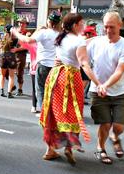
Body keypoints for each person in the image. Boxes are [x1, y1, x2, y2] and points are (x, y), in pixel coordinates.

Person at [40, 13, 102, 165]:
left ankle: (50, 150)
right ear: (75, 25)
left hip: (55, 76)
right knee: (72, 113)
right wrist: (98, 82)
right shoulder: (78, 40)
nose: (83, 26)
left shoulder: (60, 38)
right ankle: (69, 146)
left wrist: (97, 38)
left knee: (53, 114)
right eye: (81, 24)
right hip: (70, 78)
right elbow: (85, 65)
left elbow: (75, 46)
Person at [87, 11, 124, 165]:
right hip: (97, 91)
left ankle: (115, 136)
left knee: (119, 125)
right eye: (106, 27)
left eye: (112, 27)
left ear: (120, 25)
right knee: (105, 123)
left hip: (118, 91)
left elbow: (120, 71)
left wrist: (105, 85)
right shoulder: (95, 42)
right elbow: (79, 54)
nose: (108, 30)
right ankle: (100, 149)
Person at [12, 11, 61, 111]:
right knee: (52, 90)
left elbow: (28, 40)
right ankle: (52, 112)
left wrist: (16, 33)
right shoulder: (60, 34)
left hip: (43, 65)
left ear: (49, 21)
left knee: (41, 90)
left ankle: (46, 114)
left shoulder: (44, 33)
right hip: (55, 67)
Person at [11, 17, 29, 96]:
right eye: (20, 22)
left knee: (19, 72)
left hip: (21, 55)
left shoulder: (27, 33)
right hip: (12, 54)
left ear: (26, 24)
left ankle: (20, 89)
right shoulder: (14, 32)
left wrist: (17, 50)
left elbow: (27, 46)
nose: (21, 24)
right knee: (9, 71)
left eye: (23, 23)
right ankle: (12, 86)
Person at [0, 25, 18, 98]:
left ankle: (2, 91)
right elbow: (16, 47)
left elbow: (0, 46)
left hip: (3, 55)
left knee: (2, 75)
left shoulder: (2, 37)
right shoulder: (14, 38)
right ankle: (9, 93)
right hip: (11, 56)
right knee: (11, 76)